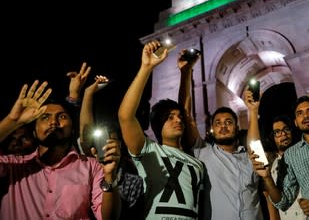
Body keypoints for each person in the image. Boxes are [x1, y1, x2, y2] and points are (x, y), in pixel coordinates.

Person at [0, 80, 121, 219]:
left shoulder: (92, 166)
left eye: (62, 116)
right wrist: (12, 120)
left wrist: (110, 177)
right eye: (45, 117)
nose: (53, 122)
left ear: (73, 129)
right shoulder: (12, 167)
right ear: (33, 132)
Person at [118, 41, 205, 220]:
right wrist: (146, 67)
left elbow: (185, 112)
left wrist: (186, 71)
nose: (177, 120)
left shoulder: (198, 163)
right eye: (169, 117)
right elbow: (125, 117)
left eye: (179, 116)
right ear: (157, 125)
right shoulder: (149, 150)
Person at [178, 49, 263, 219]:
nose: (223, 126)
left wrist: (252, 111)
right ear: (212, 129)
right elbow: (186, 116)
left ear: (237, 128)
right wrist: (186, 71)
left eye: (228, 122)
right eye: (217, 123)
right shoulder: (203, 153)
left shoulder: (252, 157)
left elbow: (256, 148)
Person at [80, 75, 145, 219]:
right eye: (102, 142)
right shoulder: (89, 168)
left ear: (120, 145)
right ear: (93, 150)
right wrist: (88, 94)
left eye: (112, 142)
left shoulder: (133, 176)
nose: (107, 146)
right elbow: (85, 131)